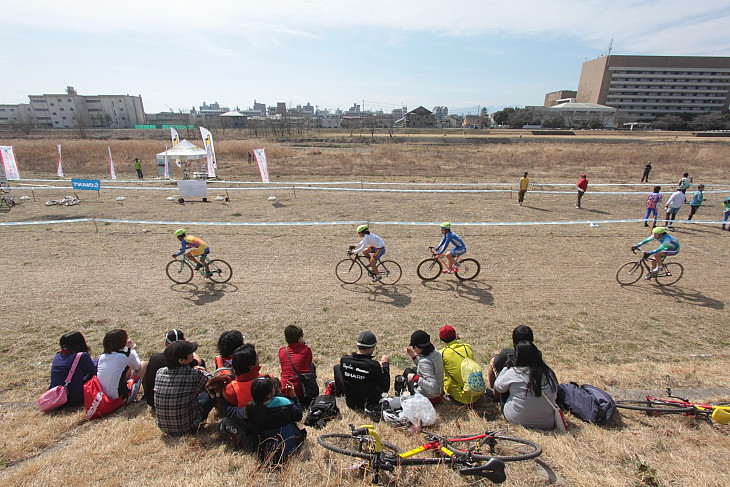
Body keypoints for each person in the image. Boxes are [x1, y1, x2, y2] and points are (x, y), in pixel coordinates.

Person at [154, 340, 215, 436]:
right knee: (209, 395)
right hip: (188, 427)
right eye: (190, 353)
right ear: (181, 360)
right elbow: (213, 384)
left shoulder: (159, 372)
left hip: (163, 427)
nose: (193, 355)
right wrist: (203, 372)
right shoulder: (194, 374)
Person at [494, 341, 559, 430]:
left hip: (516, 419)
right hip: (546, 422)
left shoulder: (514, 372)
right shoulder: (548, 373)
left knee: (505, 388)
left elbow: (498, 387)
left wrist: (506, 368)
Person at [244, 375, 306, 464]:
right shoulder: (284, 402)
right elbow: (298, 415)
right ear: (269, 394)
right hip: (291, 445)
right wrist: (294, 396)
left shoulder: (251, 409)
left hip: (268, 450)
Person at [143, 329, 205, 408]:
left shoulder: (155, 359)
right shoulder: (184, 362)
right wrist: (188, 349)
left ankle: (145, 395)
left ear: (166, 344)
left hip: (153, 402)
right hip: (179, 407)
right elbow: (198, 361)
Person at [334, 331, 390, 414]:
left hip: (350, 402)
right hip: (368, 403)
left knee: (337, 367)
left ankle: (337, 390)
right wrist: (385, 366)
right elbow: (385, 387)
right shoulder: (373, 366)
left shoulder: (345, 360)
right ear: (371, 348)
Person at [97, 329, 147, 404]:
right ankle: (146, 394)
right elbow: (137, 367)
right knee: (143, 364)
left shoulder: (101, 356)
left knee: (125, 368)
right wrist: (131, 349)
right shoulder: (125, 356)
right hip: (119, 399)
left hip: (103, 398)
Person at [48, 331, 97, 408]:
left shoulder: (57, 356)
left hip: (56, 397)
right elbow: (93, 372)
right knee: (97, 364)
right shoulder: (82, 356)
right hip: (73, 398)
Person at [488, 325, 534, 402]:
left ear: (514, 342)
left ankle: (494, 395)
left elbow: (499, 386)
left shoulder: (508, 359)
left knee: (493, 361)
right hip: (538, 401)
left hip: (515, 402)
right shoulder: (538, 357)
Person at [438, 325, 481, 405]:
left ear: (442, 340)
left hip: (461, 398)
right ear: (455, 335)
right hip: (477, 392)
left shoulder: (442, 353)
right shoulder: (467, 347)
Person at [403, 330, 444, 404]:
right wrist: (413, 356)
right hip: (440, 393)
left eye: (414, 347)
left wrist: (415, 378)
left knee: (407, 372)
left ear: (419, 347)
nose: (413, 348)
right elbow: (427, 367)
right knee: (413, 369)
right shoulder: (436, 352)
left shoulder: (424, 362)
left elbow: (433, 388)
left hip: (430, 398)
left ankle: (402, 393)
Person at [278, 325, 315, 408]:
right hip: (303, 393)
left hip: (286, 393)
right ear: (299, 338)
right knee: (312, 366)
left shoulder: (282, 351)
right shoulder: (306, 350)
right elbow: (308, 365)